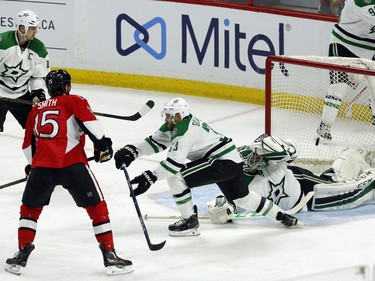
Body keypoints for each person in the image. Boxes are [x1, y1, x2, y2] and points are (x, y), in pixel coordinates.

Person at [5, 70, 133, 276]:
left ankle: (21, 254)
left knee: (29, 209)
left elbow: (28, 146)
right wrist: (103, 147)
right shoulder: (75, 100)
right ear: (67, 87)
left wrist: (32, 167)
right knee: (97, 208)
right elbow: (93, 126)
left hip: (42, 168)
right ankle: (109, 255)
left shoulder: (36, 109)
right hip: (72, 164)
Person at [114, 97, 298, 237]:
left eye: (169, 115)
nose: (167, 118)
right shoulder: (177, 125)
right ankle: (282, 216)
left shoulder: (184, 130)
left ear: (178, 116)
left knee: (176, 176)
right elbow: (155, 142)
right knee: (243, 198)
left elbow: (173, 164)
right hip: (231, 162)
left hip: (222, 162)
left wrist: (150, 177)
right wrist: (132, 151)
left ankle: (189, 222)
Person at [207, 134, 375, 224]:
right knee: (353, 192)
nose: (256, 159)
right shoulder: (242, 188)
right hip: (309, 199)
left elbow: (292, 149)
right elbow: (225, 205)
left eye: (255, 156)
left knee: (350, 157)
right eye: (251, 158)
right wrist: (223, 209)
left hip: (302, 180)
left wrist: (266, 145)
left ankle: (366, 160)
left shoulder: (270, 162)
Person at [316, 0, 375, 142]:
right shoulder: (359, 1)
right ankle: (325, 126)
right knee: (338, 87)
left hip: (370, 48)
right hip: (344, 43)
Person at [0, 9, 50, 132]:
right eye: (32, 28)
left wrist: (37, 91)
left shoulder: (39, 48)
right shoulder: (3, 43)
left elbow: (38, 75)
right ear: (22, 28)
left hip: (22, 94)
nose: (36, 31)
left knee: (37, 129)